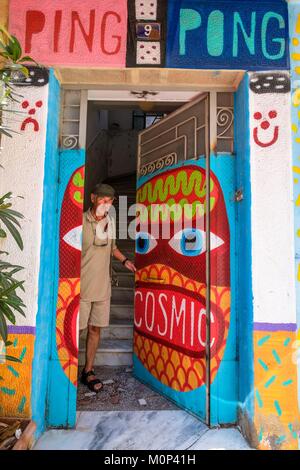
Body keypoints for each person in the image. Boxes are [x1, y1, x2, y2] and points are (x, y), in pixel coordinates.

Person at [79, 183, 136, 392]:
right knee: (77, 330)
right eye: (102, 199)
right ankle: (66, 370)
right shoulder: (80, 221)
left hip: (103, 287)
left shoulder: (110, 221)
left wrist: (125, 261)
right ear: (93, 198)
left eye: (110, 201)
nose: (106, 203)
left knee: (95, 330)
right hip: (81, 287)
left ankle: (88, 370)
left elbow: (113, 248)